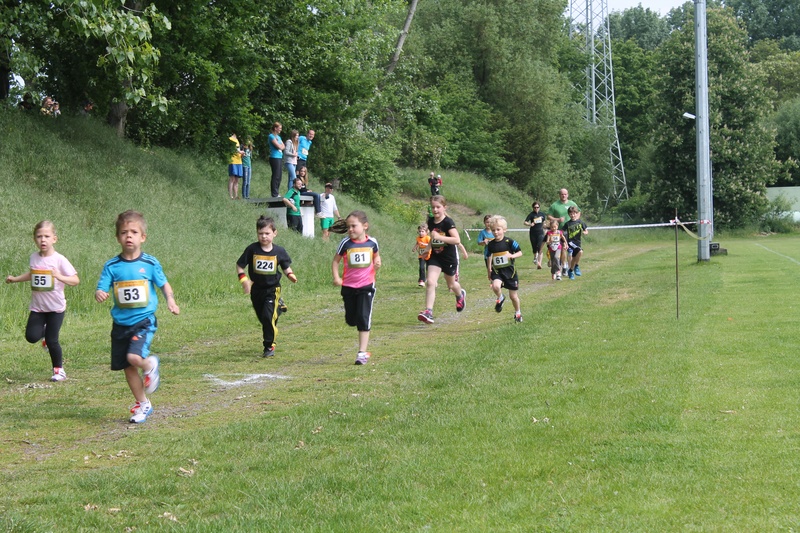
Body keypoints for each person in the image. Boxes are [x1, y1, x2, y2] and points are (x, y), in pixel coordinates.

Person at [95, 211, 180, 423]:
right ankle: (143, 404)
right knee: (128, 367)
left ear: (143, 237)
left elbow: (164, 284)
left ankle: (149, 364)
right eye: (124, 232)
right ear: (118, 237)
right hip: (120, 324)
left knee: (134, 358)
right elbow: (102, 287)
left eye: (134, 232)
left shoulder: (150, 263)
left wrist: (170, 300)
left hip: (143, 321)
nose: (129, 236)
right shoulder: (111, 266)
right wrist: (100, 293)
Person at [5, 220, 80, 382]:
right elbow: (32, 274)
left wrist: (58, 276)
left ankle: (59, 371)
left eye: (46, 236)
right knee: (31, 337)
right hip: (38, 308)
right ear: (34, 239)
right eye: (39, 236)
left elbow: (75, 280)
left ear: (54, 239)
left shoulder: (59, 259)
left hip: (56, 309)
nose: (43, 240)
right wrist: (15, 279)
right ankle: (43, 333)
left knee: (52, 341)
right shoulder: (34, 257)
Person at [236, 216, 298, 358]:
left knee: (268, 318)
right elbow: (239, 266)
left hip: (272, 289)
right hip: (256, 290)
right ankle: (279, 307)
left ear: (274, 233)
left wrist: (290, 275)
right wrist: (244, 280)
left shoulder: (279, 251)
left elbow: (285, 267)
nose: (264, 236)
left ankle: (269, 346)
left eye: (267, 233)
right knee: (262, 318)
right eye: (260, 233)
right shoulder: (252, 249)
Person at [332, 211, 381, 365]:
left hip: (366, 285)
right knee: (351, 319)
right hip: (348, 286)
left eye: (354, 226)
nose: (350, 229)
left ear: (365, 226)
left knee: (363, 318)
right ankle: (354, 321)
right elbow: (335, 261)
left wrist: (377, 262)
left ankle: (362, 353)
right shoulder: (345, 243)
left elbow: (376, 255)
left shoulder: (372, 242)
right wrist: (337, 277)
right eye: (348, 227)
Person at [418, 195, 466, 324]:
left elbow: (456, 240)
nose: (435, 210)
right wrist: (428, 248)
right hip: (436, 257)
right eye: (433, 207)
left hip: (448, 258)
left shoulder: (448, 222)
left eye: (438, 207)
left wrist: (439, 237)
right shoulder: (430, 221)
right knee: (430, 282)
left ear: (444, 207)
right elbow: (433, 238)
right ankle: (429, 311)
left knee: (451, 284)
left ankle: (460, 295)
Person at [486, 216, 523, 323]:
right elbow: (489, 256)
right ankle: (500, 297)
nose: (496, 232)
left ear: (504, 230)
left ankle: (518, 313)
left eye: (498, 229)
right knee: (495, 286)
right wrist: (489, 269)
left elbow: (520, 252)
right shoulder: (490, 244)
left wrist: (512, 256)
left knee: (513, 296)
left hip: (510, 273)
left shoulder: (509, 242)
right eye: (493, 230)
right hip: (497, 271)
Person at [546, 188, 579, 276]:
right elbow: (548, 216)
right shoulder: (555, 205)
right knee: (563, 248)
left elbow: (579, 212)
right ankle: (564, 266)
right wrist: (557, 219)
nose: (564, 196)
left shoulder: (572, 204)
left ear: (567, 195)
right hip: (560, 231)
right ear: (559, 195)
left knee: (572, 250)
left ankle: (571, 267)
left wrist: (576, 220)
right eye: (562, 194)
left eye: (565, 194)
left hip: (572, 231)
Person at [564, 206, 589, 280]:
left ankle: (571, 271)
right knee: (580, 251)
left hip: (578, 242)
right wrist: (564, 242)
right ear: (569, 214)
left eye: (574, 213)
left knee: (574, 258)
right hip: (570, 242)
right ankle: (576, 266)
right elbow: (562, 232)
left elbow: (586, 230)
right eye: (571, 214)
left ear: (577, 213)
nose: (572, 215)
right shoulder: (567, 224)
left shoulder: (580, 222)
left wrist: (585, 232)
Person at [523, 202, 546, 269]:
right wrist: (530, 224)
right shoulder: (531, 214)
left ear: (539, 207)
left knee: (539, 247)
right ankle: (535, 257)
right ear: (533, 208)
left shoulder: (542, 214)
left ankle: (539, 263)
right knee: (534, 248)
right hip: (533, 233)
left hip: (540, 232)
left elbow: (544, 222)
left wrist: (545, 228)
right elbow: (525, 222)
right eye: (535, 207)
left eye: (537, 207)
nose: (536, 208)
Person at [268, 122, 285, 197]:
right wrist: (280, 146)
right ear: (275, 128)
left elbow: (283, 146)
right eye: (279, 128)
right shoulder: (271, 136)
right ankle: (274, 193)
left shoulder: (279, 137)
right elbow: (279, 146)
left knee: (279, 175)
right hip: (274, 157)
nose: (280, 130)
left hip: (280, 157)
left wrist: (281, 146)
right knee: (276, 175)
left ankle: (277, 191)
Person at [227, 133, 244, 200]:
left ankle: (236, 196)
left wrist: (242, 154)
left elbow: (238, 151)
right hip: (233, 161)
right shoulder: (230, 139)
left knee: (237, 180)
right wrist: (240, 152)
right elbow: (234, 149)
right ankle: (230, 196)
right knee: (232, 179)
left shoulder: (237, 140)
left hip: (239, 161)